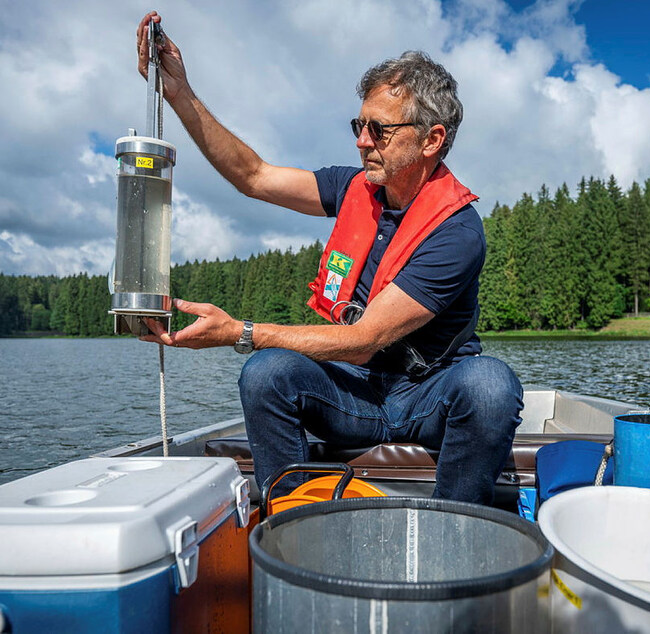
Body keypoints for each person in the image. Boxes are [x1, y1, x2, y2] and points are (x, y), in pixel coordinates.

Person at [136, 11, 523, 505]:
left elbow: (364, 339)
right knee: (266, 373)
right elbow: (252, 177)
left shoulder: (458, 231)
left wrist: (240, 332)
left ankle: (453, 528)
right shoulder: (351, 186)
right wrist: (178, 92)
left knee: (490, 386)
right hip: (352, 391)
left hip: (429, 394)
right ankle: (293, 523)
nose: (362, 141)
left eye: (379, 130)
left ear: (432, 139)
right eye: (359, 125)